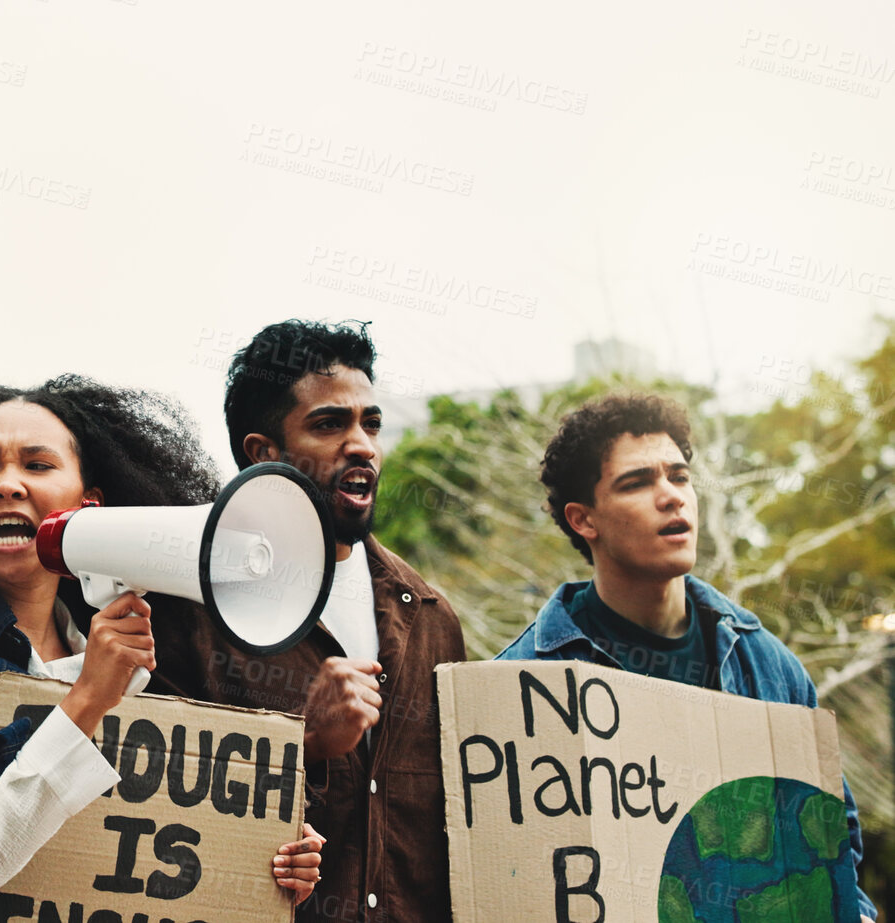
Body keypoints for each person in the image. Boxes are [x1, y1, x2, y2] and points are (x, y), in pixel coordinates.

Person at [0, 376, 325, 907]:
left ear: (89, 508)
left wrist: (255, 858)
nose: (7, 485)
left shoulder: (128, 672)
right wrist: (86, 702)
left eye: (37, 465)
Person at [498, 392, 878, 922]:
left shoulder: (766, 663)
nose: (672, 497)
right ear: (584, 519)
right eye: (637, 483)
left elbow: (835, 838)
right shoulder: (522, 681)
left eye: (678, 477)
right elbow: (515, 878)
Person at [149, 319, 464, 923]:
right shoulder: (189, 613)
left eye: (371, 423)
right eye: (329, 424)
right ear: (263, 453)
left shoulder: (429, 618)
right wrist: (307, 745)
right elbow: (161, 817)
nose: (362, 445)